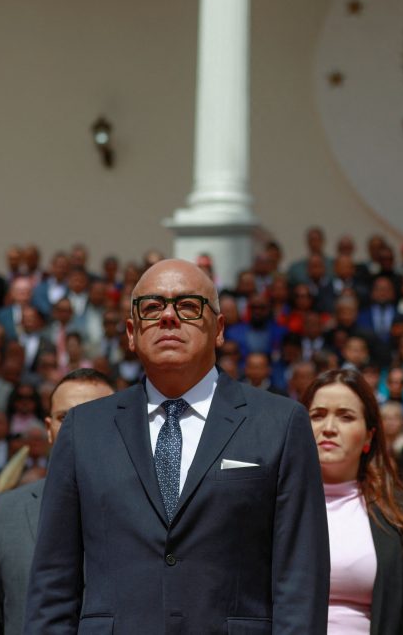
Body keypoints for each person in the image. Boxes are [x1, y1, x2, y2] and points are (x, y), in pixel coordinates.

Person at [25, 259, 330, 633]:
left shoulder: (279, 424)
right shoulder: (84, 429)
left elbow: (300, 580)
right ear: (132, 333)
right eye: (152, 307)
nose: (169, 317)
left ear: (219, 329)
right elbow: (53, 582)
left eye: (188, 305)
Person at [0, 368, 115, 635]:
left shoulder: (148, 510)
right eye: (65, 417)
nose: (78, 427)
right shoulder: (5, 513)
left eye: (94, 415)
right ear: (48, 429)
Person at [304, 368, 403, 634]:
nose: (329, 428)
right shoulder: (269, 506)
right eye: (317, 415)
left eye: (345, 417)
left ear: (369, 435)